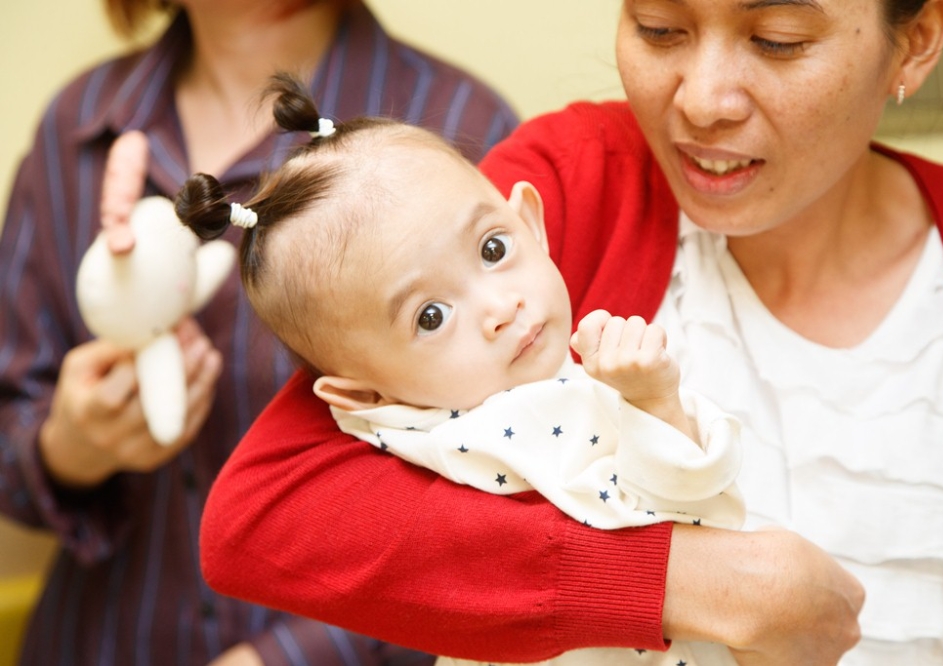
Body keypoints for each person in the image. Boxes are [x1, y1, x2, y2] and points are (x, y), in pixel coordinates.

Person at [195, 0, 943, 664]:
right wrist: (679, 580)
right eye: (658, 27)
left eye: (776, 39)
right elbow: (264, 517)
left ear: (917, 41)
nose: (702, 100)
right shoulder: (580, 181)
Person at [0, 0, 518, 663]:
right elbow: (13, 440)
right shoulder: (74, 127)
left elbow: (503, 497)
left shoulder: (456, 127)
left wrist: (292, 655)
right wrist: (68, 447)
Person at [174, 80, 746, 663]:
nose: (500, 311)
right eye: (431, 316)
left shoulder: (551, 386)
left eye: (493, 250)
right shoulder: (495, 435)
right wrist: (656, 403)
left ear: (531, 223)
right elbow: (693, 527)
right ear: (361, 396)